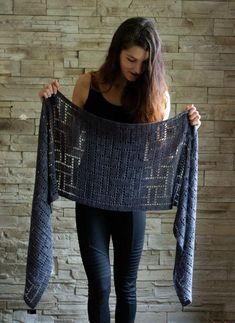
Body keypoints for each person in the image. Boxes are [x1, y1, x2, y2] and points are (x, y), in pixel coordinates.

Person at [38, 17, 201, 323]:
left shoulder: (156, 95)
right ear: (116, 52)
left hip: (131, 201)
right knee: (99, 286)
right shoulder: (89, 84)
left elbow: (159, 158)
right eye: (131, 59)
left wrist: (188, 128)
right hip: (91, 198)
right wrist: (51, 107)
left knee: (126, 287)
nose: (137, 69)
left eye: (144, 62)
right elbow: (69, 143)